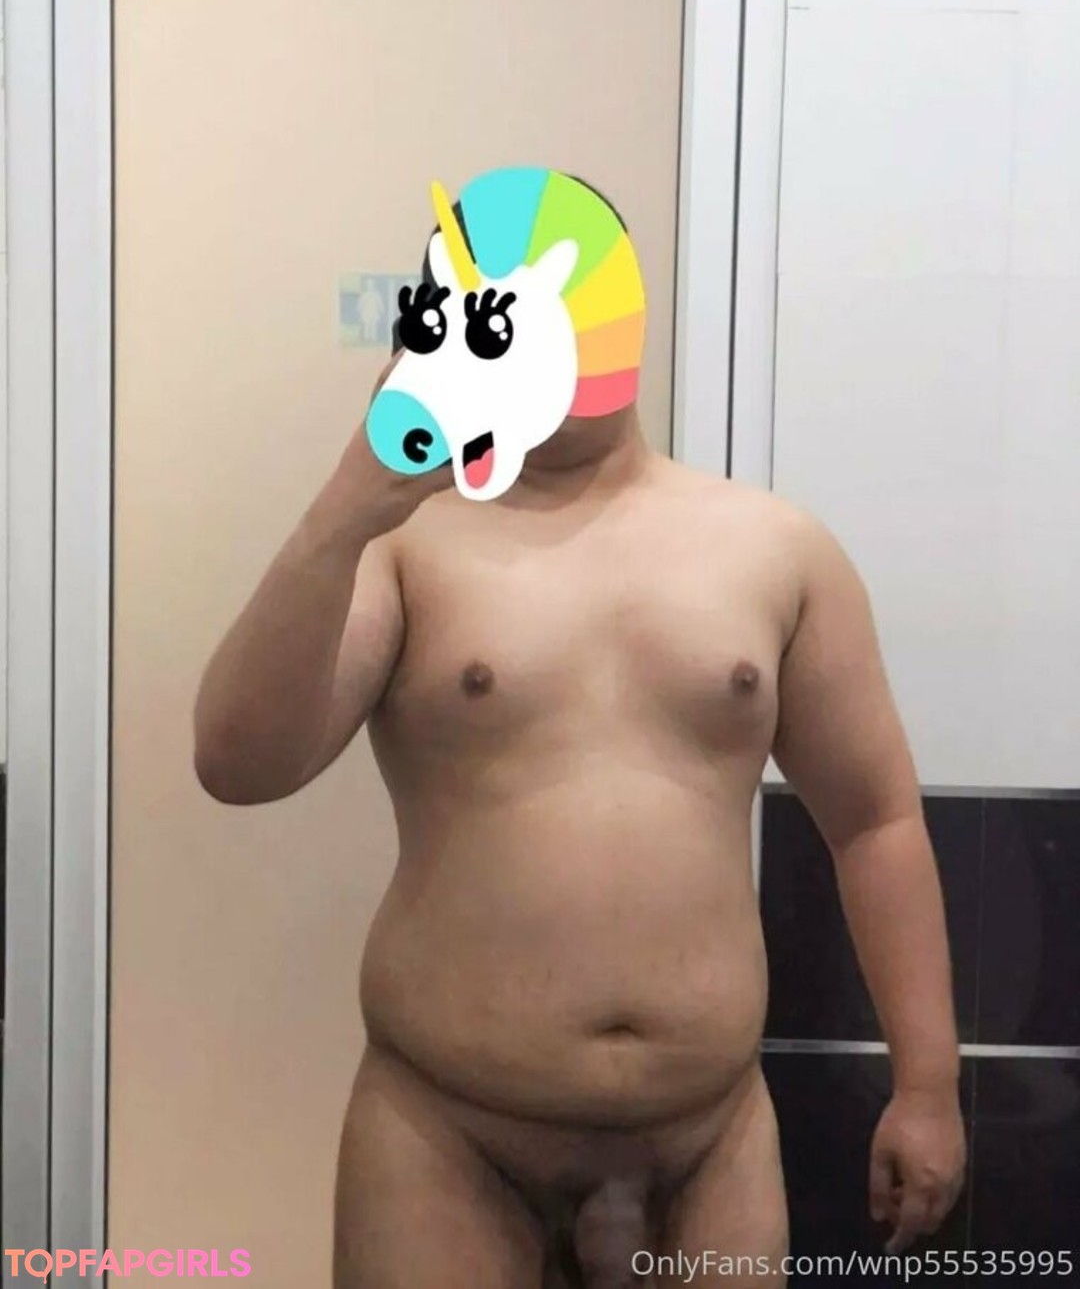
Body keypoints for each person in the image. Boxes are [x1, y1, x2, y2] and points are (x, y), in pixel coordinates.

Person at [194, 366, 966, 1288]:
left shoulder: (775, 545)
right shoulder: (402, 543)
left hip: (711, 1136)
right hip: (447, 1133)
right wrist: (347, 505)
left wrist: (928, 1086)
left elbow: (874, 822)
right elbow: (240, 767)